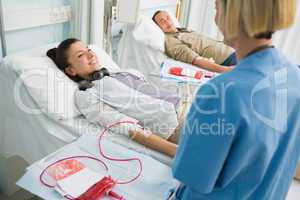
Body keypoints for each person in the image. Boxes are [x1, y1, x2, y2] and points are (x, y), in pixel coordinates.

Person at [170, 0, 300, 199]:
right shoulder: (294, 77)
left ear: (233, 14)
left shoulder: (220, 93)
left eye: (216, 8)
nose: (215, 16)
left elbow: (192, 177)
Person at [47, 38, 192, 157]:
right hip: (178, 123)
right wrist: (175, 151)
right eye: (80, 55)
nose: (91, 55)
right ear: (71, 70)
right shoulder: (86, 94)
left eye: (88, 50)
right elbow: (127, 127)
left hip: (190, 106)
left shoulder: (117, 72)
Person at [152, 10, 237, 74]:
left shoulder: (183, 30)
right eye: (162, 21)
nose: (167, 22)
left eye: (168, 18)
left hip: (235, 51)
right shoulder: (170, 40)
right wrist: (224, 70)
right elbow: (195, 59)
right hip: (228, 60)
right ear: (158, 27)